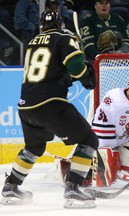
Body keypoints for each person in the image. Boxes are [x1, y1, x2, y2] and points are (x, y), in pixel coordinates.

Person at [0, 10, 98, 208]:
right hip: (50, 103)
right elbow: (76, 67)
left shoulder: (33, 42)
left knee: (34, 147)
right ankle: (73, 190)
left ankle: (11, 187)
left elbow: (52, 69)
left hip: (26, 106)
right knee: (89, 140)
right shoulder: (64, 37)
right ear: (60, 23)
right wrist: (86, 72)